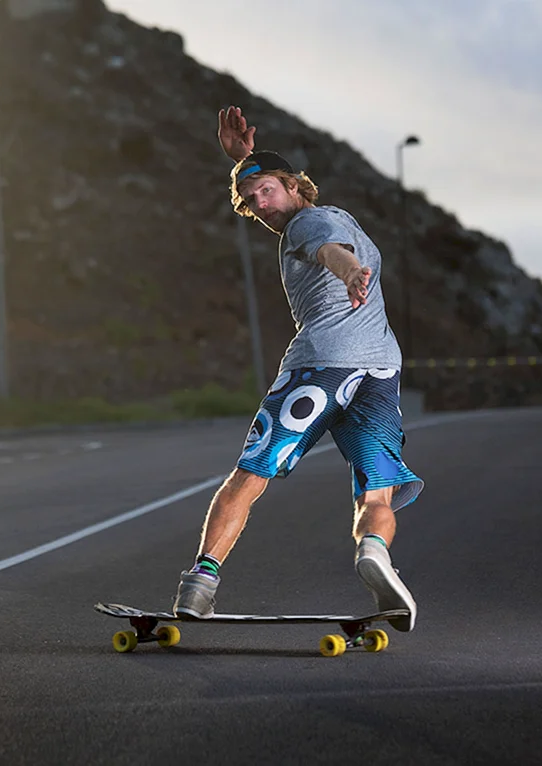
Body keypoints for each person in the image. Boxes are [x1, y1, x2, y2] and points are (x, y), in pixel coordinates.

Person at [171, 106, 424, 631]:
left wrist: (351, 270)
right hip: (378, 371)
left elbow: (329, 250)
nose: (260, 205)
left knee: (252, 473)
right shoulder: (328, 215)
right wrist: (244, 161)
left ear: (294, 185)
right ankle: (373, 552)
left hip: (322, 366)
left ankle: (200, 582)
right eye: (250, 199)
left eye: (268, 191)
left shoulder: (312, 223)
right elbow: (314, 230)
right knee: (375, 493)